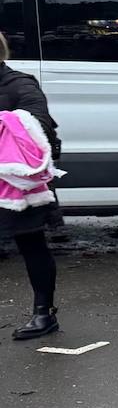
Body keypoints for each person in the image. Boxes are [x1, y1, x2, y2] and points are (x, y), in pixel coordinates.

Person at [0, 33, 62, 338]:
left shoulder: (20, 85)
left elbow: (41, 128)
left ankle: (44, 313)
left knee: (31, 245)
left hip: (16, 187)